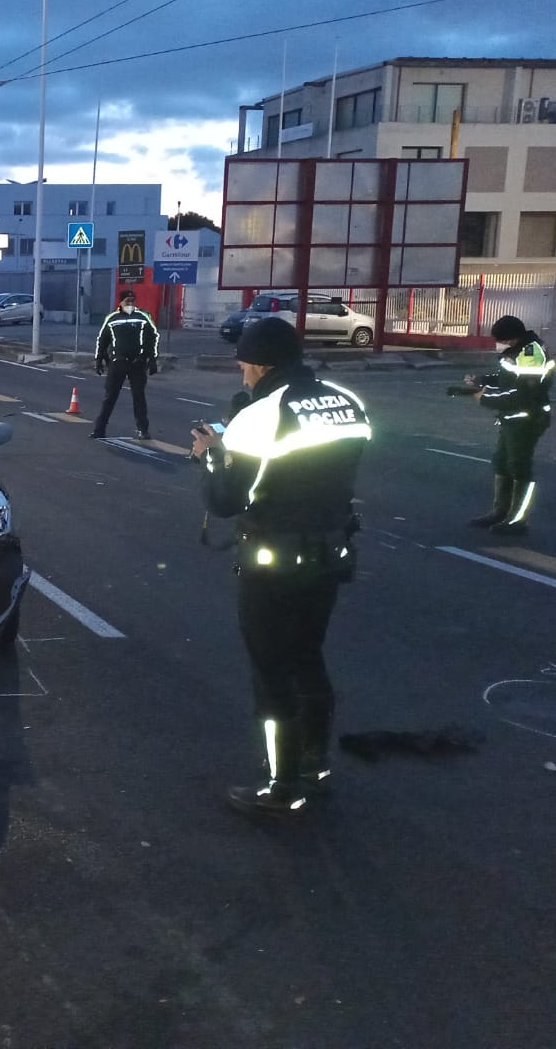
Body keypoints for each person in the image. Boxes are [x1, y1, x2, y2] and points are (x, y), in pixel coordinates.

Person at [189, 318, 370, 816]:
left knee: (272, 671)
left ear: (262, 363)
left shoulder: (259, 415)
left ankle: (281, 787)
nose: (242, 375)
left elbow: (227, 500)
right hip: (330, 553)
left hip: (274, 561)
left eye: (245, 366)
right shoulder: (342, 399)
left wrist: (210, 456)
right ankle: (316, 766)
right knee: (308, 658)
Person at [459, 315, 552, 536]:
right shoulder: (515, 351)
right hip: (511, 418)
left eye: (501, 340)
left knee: (519, 465)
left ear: (512, 337)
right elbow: (506, 379)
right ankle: (500, 511)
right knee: (501, 462)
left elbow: (524, 394)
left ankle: (518, 520)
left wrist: (484, 398)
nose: (498, 344)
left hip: (528, 418)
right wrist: (483, 380)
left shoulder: (531, 353)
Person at [90, 289, 159, 440]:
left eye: (133, 301)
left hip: (137, 363)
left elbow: (152, 338)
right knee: (109, 397)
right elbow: (102, 340)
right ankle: (99, 430)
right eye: (127, 301)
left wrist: (152, 359)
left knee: (139, 398)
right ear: (120, 302)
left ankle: (143, 430)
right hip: (117, 363)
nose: (131, 303)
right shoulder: (112, 318)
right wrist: (98, 359)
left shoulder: (143, 316)